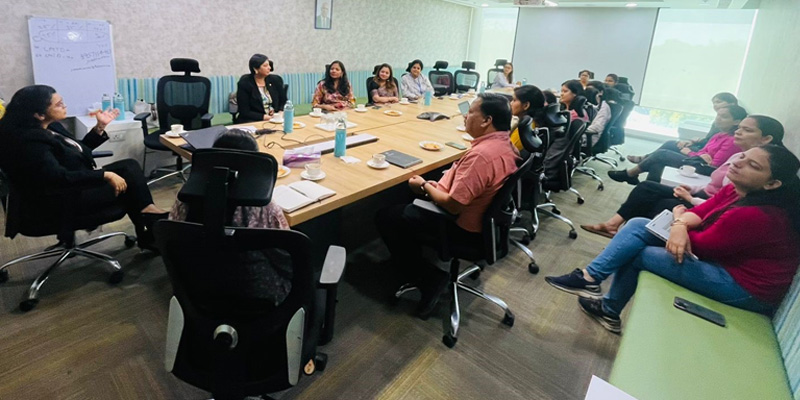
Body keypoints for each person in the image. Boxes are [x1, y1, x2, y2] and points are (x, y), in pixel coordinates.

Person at [547, 144, 800, 333]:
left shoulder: (759, 215)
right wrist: (680, 220)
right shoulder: (736, 189)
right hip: (722, 262)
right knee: (637, 224)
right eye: (743, 156)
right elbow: (699, 212)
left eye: (752, 165)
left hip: (745, 288)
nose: (738, 162)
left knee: (641, 253)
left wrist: (680, 220)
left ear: (772, 183)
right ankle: (591, 279)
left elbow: (700, 246)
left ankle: (607, 305)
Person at [376, 93, 520, 319]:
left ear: (486, 121)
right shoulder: (504, 143)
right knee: (406, 203)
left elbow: (453, 206)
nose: (465, 115)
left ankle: (427, 277)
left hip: (459, 226)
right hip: (486, 225)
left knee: (386, 216)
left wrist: (424, 186)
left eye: (471, 111)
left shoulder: (482, 156)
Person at [0, 85, 168, 251]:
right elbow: (57, 178)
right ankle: (149, 225)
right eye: (58, 104)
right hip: (53, 202)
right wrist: (104, 175)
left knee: (128, 167)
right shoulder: (30, 143)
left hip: (66, 187)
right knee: (130, 186)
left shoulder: (51, 127)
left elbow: (77, 151)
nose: (64, 106)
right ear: (39, 114)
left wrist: (99, 127)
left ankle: (148, 220)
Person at [582, 115, 785, 238]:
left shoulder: (756, 168)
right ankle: (613, 226)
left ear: (766, 138)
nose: (738, 133)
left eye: (746, 130)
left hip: (707, 201)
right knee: (647, 187)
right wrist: (693, 190)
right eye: (739, 128)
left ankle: (634, 234)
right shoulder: (738, 152)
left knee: (660, 198)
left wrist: (691, 198)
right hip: (702, 193)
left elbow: (723, 198)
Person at [169, 129, 292, 305]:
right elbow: (286, 256)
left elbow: (174, 242)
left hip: (195, 288)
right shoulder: (264, 207)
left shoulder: (186, 198)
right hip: (256, 295)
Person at [609, 105, 747, 184]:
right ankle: (635, 175)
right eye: (718, 115)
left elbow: (714, 165)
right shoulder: (720, 134)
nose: (718, 119)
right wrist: (694, 152)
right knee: (667, 149)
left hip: (704, 169)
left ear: (736, 122)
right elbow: (704, 151)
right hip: (697, 159)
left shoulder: (732, 141)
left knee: (662, 154)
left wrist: (690, 153)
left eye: (724, 117)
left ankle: (631, 174)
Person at [627, 92, 739, 163]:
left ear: (732, 104)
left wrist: (691, 149)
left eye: (718, 102)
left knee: (665, 152)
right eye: (714, 103)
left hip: (705, 154)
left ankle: (642, 162)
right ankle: (644, 160)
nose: (715, 106)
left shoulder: (730, 123)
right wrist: (693, 142)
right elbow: (711, 139)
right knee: (671, 143)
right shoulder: (721, 119)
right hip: (704, 147)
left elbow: (713, 154)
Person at [236, 54, 287, 124]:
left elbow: (283, 100)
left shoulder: (276, 80)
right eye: (265, 66)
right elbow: (244, 111)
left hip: (274, 119)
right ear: (255, 69)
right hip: (252, 120)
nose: (269, 68)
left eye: (269, 65)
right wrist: (265, 117)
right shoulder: (245, 82)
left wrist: (280, 113)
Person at [509, 85, 547, 151]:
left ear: (526, 105)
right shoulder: (532, 124)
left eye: (514, 100)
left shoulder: (523, 130)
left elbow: (506, 151)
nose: (511, 103)